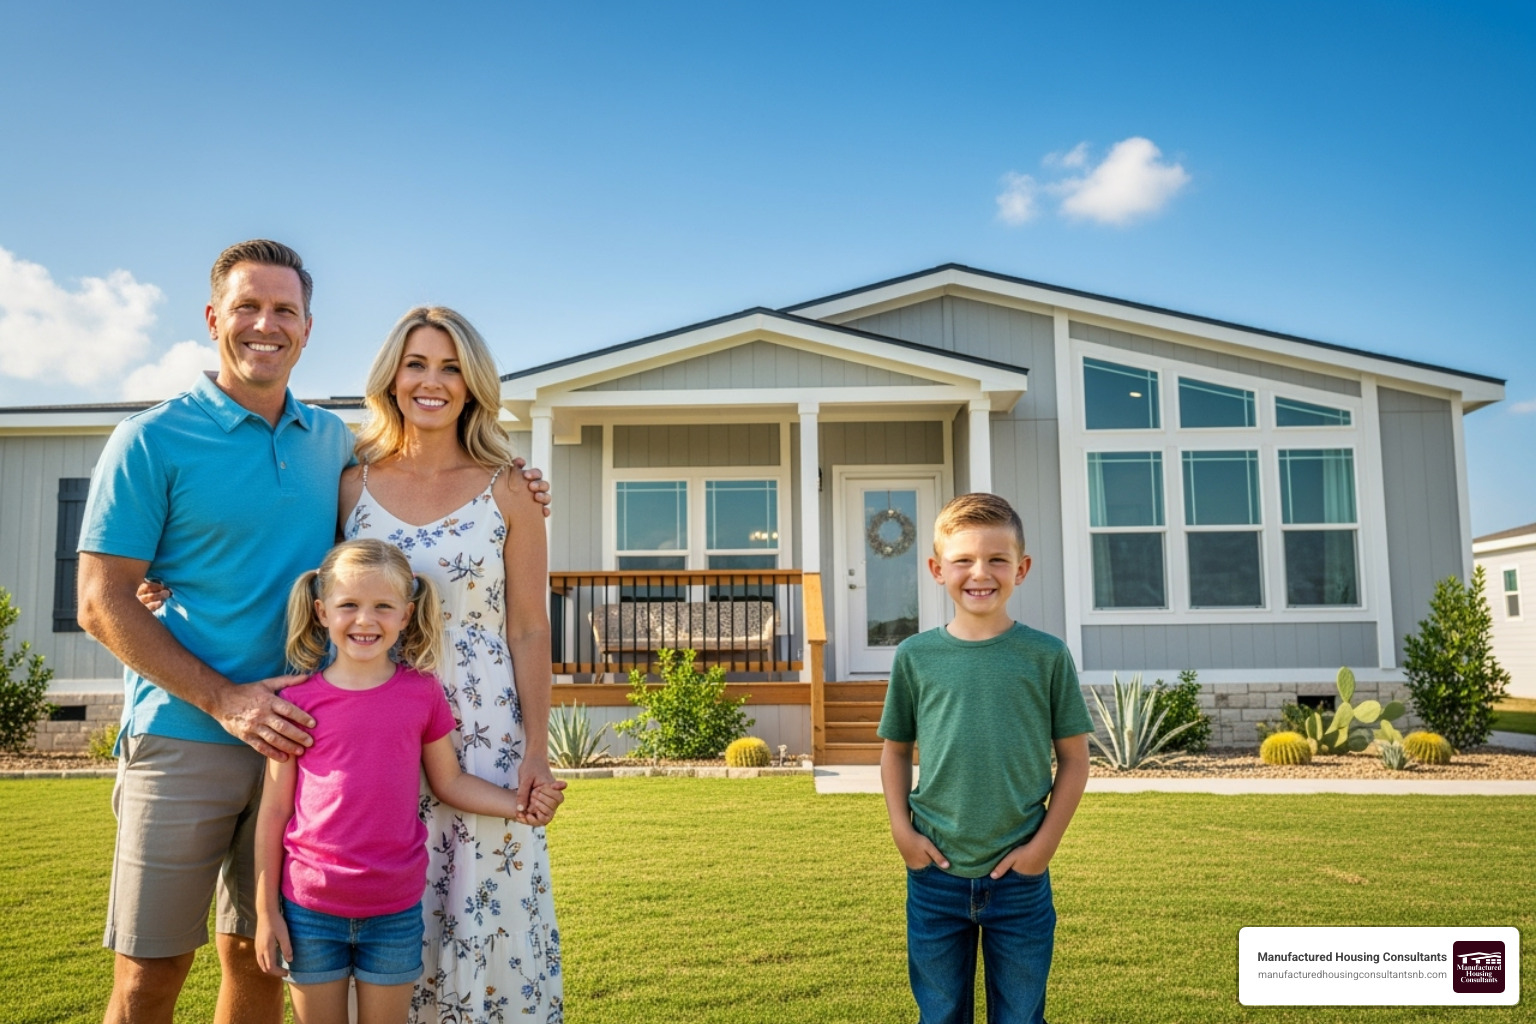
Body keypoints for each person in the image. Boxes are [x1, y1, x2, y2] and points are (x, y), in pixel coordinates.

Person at [78, 239, 550, 1024]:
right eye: (248, 307)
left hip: (318, 741)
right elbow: (102, 602)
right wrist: (225, 696)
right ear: (212, 318)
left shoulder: (333, 446)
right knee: (149, 973)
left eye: (284, 310)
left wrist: (519, 476)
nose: (266, 324)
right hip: (187, 733)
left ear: (306, 326)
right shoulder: (153, 439)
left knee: (261, 962)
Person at [339, 305, 563, 1021]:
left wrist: (536, 748)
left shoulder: (508, 489)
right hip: (376, 726)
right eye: (416, 363)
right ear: (391, 377)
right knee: (381, 907)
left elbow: (529, 628)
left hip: (486, 730)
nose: (431, 382)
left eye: (450, 367)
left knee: (483, 904)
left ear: (472, 385)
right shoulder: (350, 487)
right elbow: (318, 597)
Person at [254, 539, 562, 1024]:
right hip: (309, 911)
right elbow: (273, 813)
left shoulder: (422, 695)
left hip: (394, 912)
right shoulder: (297, 704)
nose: (365, 620)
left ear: (406, 613)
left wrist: (517, 805)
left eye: (382, 606)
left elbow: (451, 782)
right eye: (348, 605)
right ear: (321, 611)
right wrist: (266, 911)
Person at [878, 492, 1093, 1024]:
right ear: (936, 569)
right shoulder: (915, 657)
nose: (981, 573)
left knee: (1020, 1017)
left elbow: (1075, 758)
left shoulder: (1046, 656)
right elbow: (895, 750)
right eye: (964, 560)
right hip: (935, 874)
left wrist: (1042, 848)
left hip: (1019, 877)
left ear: (1021, 569)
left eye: (998, 559)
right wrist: (903, 832)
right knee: (941, 1014)